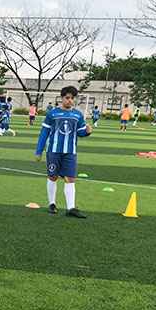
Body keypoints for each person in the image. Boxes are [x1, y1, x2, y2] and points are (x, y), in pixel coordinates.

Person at [35, 85, 91, 218]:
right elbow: (44, 132)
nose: (70, 100)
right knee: (52, 177)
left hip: (70, 152)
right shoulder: (52, 113)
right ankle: (52, 204)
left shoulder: (77, 115)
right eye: (67, 98)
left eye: (72, 98)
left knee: (70, 178)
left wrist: (87, 132)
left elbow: (80, 132)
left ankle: (71, 208)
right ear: (62, 98)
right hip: (54, 151)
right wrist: (39, 151)